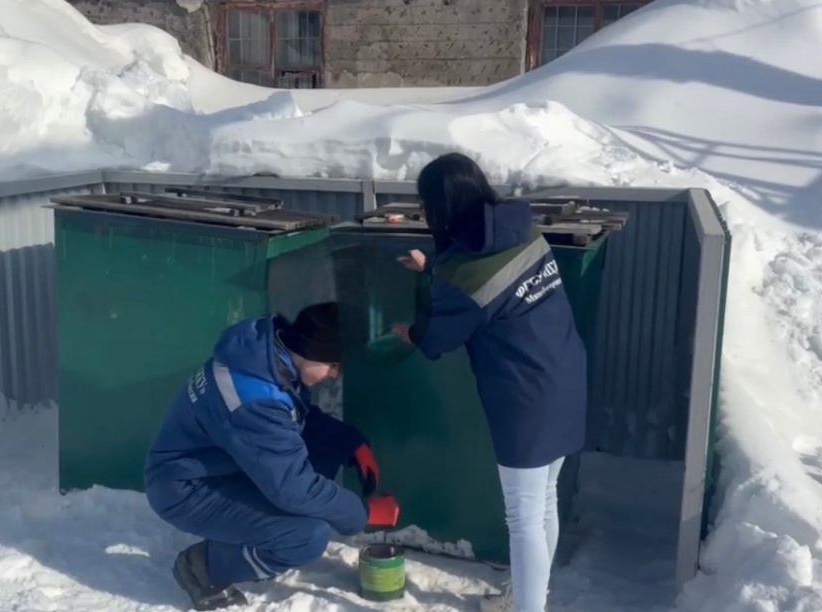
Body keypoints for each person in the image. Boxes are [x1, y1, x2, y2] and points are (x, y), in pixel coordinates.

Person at [391, 153, 587, 612]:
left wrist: (411, 331)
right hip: (566, 374)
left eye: (426, 206)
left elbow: (440, 335)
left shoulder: (462, 277)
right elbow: (489, 279)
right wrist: (433, 266)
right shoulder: (523, 231)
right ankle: (530, 596)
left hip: (525, 398)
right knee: (543, 502)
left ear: (441, 207)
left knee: (523, 517)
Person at [144, 302, 400, 611]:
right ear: (311, 351)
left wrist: (349, 444)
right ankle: (204, 566)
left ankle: (251, 530)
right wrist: (363, 512)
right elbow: (294, 488)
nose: (334, 374)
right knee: (305, 536)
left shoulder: (267, 353)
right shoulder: (254, 398)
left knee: (322, 457)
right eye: (333, 364)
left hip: (221, 467)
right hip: (186, 488)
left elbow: (294, 419)